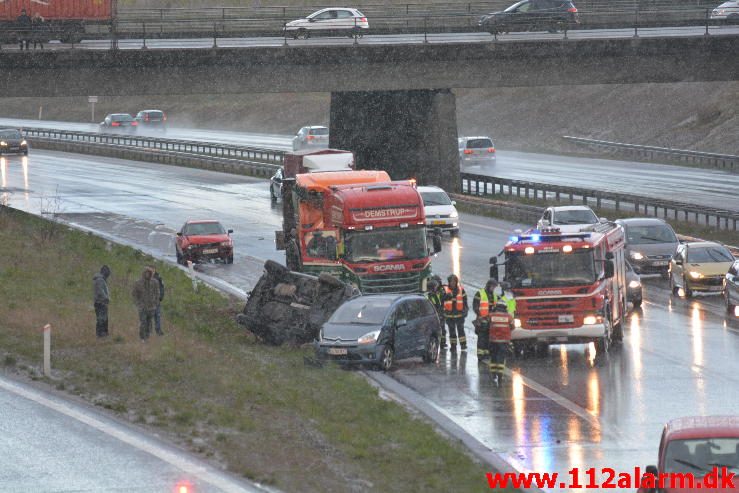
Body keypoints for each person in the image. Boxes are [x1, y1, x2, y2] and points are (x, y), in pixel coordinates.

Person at [473, 278, 498, 362]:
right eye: (492, 287)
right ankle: (480, 355)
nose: (493, 288)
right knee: (481, 338)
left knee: (488, 337)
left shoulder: (494, 296)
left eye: (494, 287)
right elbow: (475, 306)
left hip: (490, 320)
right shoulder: (480, 293)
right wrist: (479, 315)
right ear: (488, 285)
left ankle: (486, 353)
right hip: (482, 319)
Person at [132, 266, 160, 342]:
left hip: (151, 307)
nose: (147, 275)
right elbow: (134, 294)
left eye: (149, 273)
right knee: (143, 322)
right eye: (146, 273)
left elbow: (157, 293)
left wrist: (156, 303)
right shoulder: (138, 283)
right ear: (144, 273)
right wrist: (138, 304)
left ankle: (147, 337)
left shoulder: (154, 282)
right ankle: (142, 337)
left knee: (149, 323)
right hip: (142, 307)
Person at [488, 301, 513, 384]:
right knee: (501, 357)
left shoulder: (491, 315)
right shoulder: (509, 317)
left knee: (493, 356)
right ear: (505, 308)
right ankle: (500, 375)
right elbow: (512, 327)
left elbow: (486, 325)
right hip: (504, 341)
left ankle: (493, 374)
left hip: (493, 340)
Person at [442, 274, 468, 352]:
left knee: (461, 331)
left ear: (456, 282)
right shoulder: (445, 290)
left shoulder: (461, 290)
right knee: (452, 332)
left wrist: (465, 311)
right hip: (449, 315)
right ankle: (453, 346)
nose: (453, 283)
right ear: (449, 282)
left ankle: (463, 345)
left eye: (454, 281)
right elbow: (441, 300)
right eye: (451, 281)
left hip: (459, 315)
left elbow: (465, 301)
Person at [93, 265, 111, 338]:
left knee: (103, 318)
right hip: (101, 302)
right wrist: (106, 298)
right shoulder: (100, 280)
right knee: (102, 318)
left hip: (100, 302)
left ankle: (103, 333)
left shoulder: (100, 279)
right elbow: (100, 291)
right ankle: (101, 333)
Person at [152, 267, 165, 336]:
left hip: (156, 300)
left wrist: (161, 297)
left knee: (157, 315)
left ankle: (158, 330)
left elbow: (162, 287)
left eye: (153, 269)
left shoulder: (159, 278)